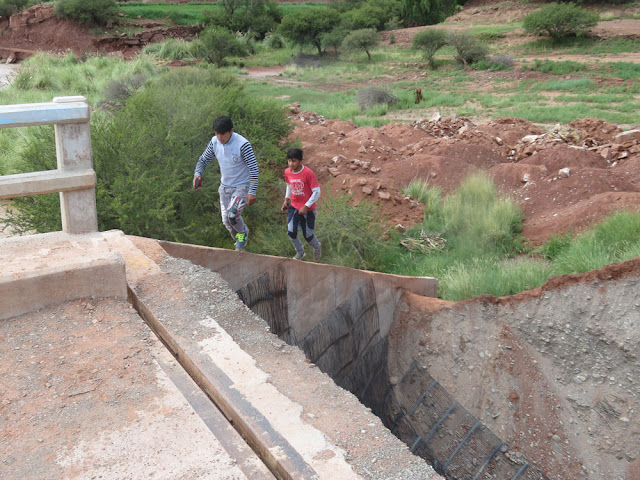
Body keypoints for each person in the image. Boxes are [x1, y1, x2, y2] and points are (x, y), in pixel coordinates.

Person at [193, 115, 258, 251]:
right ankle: (240, 246)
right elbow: (203, 160)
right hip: (225, 187)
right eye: (217, 134)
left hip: (241, 186)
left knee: (233, 215)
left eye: (223, 134)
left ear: (231, 131)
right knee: (227, 222)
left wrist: (252, 191)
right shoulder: (214, 142)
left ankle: (243, 233)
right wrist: (197, 174)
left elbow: (253, 168)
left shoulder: (242, 144)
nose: (220, 137)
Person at [281, 147, 322, 261]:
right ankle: (300, 251)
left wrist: (306, 206)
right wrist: (286, 200)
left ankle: (317, 246)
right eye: (289, 160)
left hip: (308, 210)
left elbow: (317, 191)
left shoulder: (308, 173)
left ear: (300, 161)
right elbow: (289, 186)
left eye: (294, 161)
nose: (291, 163)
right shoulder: (287, 172)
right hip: (294, 206)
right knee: (291, 232)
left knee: (308, 236)